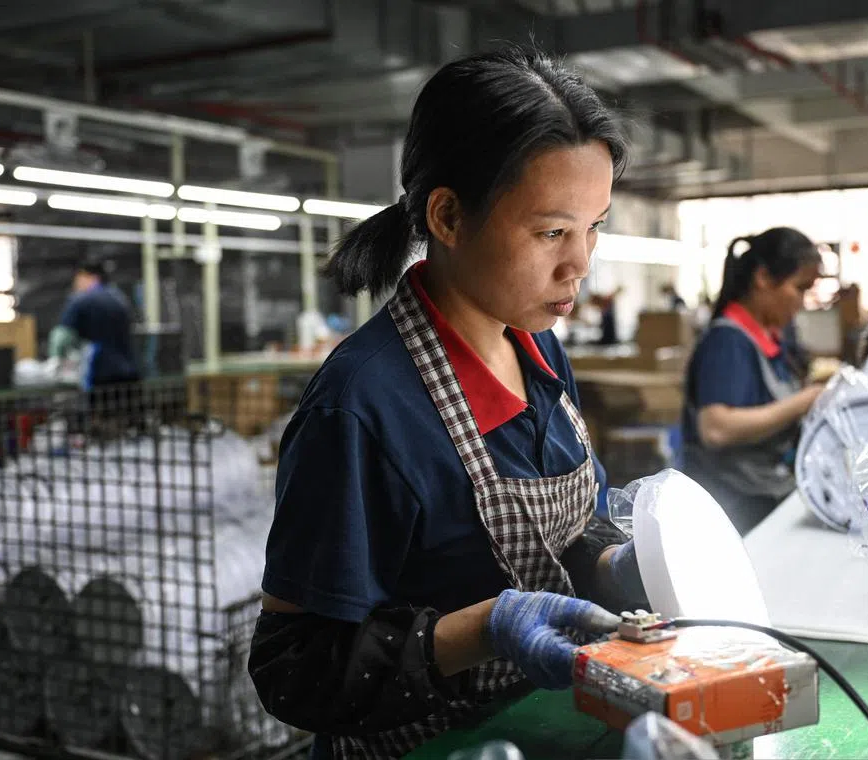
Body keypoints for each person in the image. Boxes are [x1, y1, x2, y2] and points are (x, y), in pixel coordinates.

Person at [248, 48, 648, 759]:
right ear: (448, 216)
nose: (581, 263)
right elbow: (293, 669)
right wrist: (483, 630)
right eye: (551, 231)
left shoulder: (536, 345)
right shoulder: (364, 409)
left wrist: (614, 563)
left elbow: (565, 531)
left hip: (536, 727)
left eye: (595, 227)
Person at [680, 228, 824, 535]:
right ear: (762, 279)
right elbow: (716, 428)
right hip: (733, 506)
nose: (802, 302)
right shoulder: (727, 342)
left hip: (763, 490)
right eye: (799, 288)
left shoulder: (768, 338)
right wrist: (803, 401)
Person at [49, 256, 140, 390]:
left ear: (89, 277)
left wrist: (54, 363)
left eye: (79, 278)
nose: (76, 283)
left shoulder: (81, 300)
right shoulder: (119, 297)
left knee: (100, 408)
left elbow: (61, 338)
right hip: (128, 370)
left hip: (100, 372)